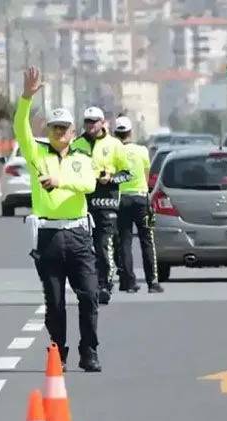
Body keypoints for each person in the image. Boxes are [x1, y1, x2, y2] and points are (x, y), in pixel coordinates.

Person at [14, 66, 102, 372]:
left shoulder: (82, 159)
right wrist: (26, 97)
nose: (59, 133)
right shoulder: (38, 154)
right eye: (54, 128)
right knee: (54, 301)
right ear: (47, 130)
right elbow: (20, 128)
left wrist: (60, 182)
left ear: (73, 133)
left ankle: (88, 350)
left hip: (78, 235)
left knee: (89, 295)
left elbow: (90, 185)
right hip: (49, 237)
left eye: (64, 128)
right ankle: (58, 353)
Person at [71, 106, 132, 305]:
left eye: (94, 121)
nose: (90, 125)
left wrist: (111, 178)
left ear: (102, 122)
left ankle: (105, 285)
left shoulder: (114, 145)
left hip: (107, 204)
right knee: (84, 249)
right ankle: (90, 285)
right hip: (82, 205)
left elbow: (128, 173)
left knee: (104, 246)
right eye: (87, 121)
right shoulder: (76, 144)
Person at [113, 116, 164, 294]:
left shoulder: (113, 151)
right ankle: (152, 282)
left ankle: (128, 282)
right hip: (141, 199)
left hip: (121, 200)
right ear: (130, 132)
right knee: (147, 240)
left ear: (115, 133)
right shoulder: (142, 151)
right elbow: (147, 174)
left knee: (124, 241)